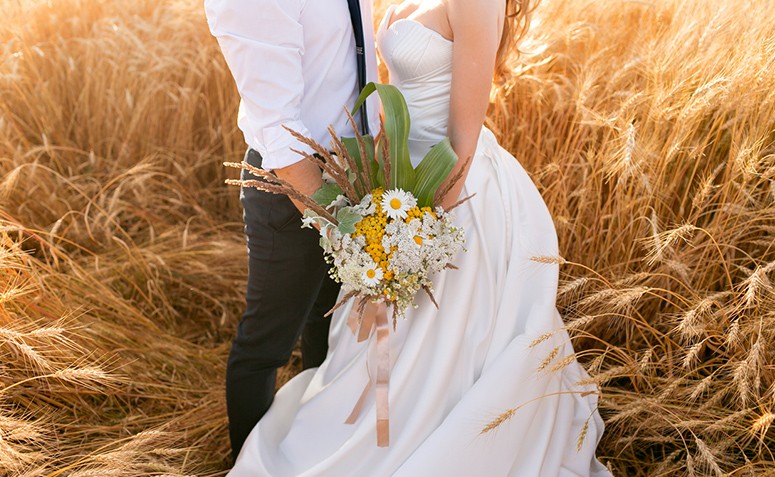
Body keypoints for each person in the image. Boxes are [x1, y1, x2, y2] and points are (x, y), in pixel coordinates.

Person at [229, 0, 612, 475]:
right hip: (391, 187)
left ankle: (429, 441)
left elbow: (462, 140)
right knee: (354, 345)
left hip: (445, 196)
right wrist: (385, 203)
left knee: (442, 348)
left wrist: (420, 236)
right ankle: (372, 435)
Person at [203, 0, 380, 461]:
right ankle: (248, 464)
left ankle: (315, 455)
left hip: (356, 174)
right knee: (267, 342)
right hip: (292, 185)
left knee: (331, 331)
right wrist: (340, 225)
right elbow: (277, 129)